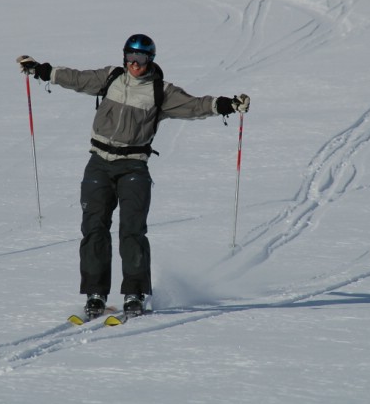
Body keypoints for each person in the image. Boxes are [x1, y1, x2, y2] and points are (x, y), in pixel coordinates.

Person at [17, 34, 249, 318]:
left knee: (132, 230)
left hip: (133, 167)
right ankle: (95, 294)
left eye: (141, 58)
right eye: (130, 56)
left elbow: (195, 105)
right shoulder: (110, 78)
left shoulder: (160, 92)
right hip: (99, 163)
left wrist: (227, 105)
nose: (134, 64)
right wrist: (42, 70)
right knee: (94, 228)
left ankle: (134, 294)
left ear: (150, 60)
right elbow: (76, 78)